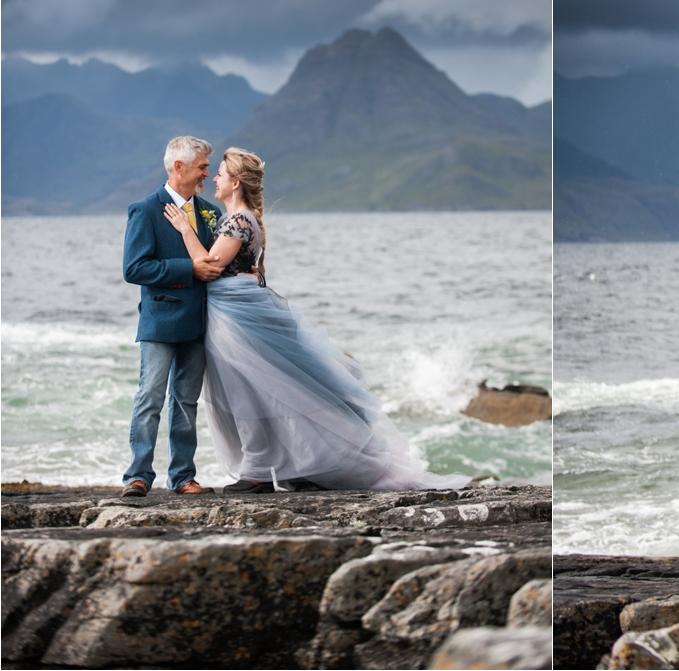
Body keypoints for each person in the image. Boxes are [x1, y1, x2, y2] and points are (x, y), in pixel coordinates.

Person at [160, 146, 468, 492]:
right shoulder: (247, 219)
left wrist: (185, 230)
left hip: (235, 316)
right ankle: (290, 463)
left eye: (220, 174)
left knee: (246, 392)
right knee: (267, 390)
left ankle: (260, 470)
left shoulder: (238, 220)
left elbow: (213, 267)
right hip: (238, 310)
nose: (214, 177)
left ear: (235, 183)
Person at [120, 136, 227, 497]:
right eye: (201, 166)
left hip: (199, 321)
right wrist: (188, 269)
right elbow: (135, 268)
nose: (206, 173)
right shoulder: (145, 209)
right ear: (177, 167)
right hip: (160, 320)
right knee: (149, 397)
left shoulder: (211, 212)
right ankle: (137, 475)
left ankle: (182, 477)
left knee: (186, 401)